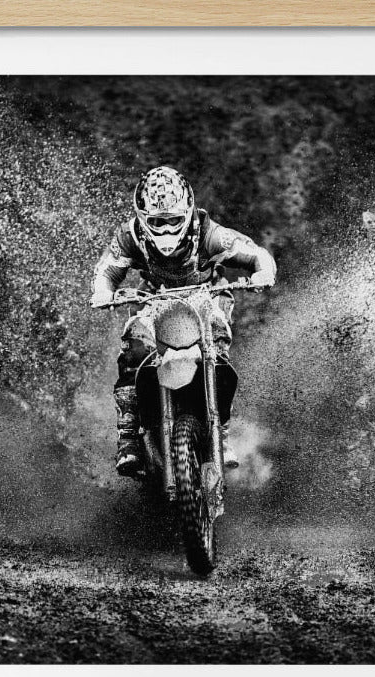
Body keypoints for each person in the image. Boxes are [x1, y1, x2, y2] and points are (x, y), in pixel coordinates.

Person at [90, 166, 277, 477]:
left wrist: (262, 273)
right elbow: (107, 269)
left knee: (217, 335)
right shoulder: (129, 236)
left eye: (173, 220)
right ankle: (128, 439)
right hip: (154, 301)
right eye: (157, 222)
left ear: (188, 212)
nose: (165, 229)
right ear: (142, 217)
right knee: (133, 345)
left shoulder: (209, 232)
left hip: (206, 297)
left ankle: (222, 432)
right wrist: (102, 292)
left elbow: (256, 254)